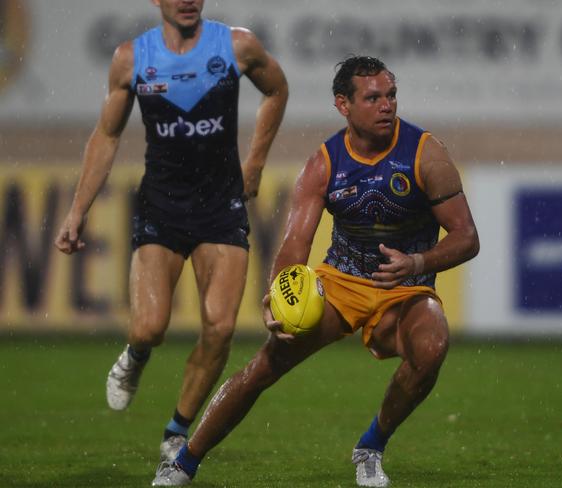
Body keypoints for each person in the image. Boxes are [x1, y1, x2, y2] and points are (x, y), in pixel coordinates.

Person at [151, 55, 479, 487]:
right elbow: (294, 245)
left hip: (406, 287)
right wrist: (276, 298)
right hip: (340, 283)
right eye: (374, 97)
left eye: (392, 95)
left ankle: (371, 447)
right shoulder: (324, 164)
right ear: (343, 104)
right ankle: (183, 463)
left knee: (433, 345)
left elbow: (467, 237)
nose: (388, 106)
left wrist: (417, 263)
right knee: (264, 366)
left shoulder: (426, 154)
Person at [54, 0, 288, 463]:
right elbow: (107, 135)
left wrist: (256, 160)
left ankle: (177, 430)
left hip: (221, 207)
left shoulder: (237, 46)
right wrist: (77, 209)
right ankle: (135, 356)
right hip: (162, 205)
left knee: (220, 329)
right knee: (149, 327)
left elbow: (277, 90)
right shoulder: (131, 59)